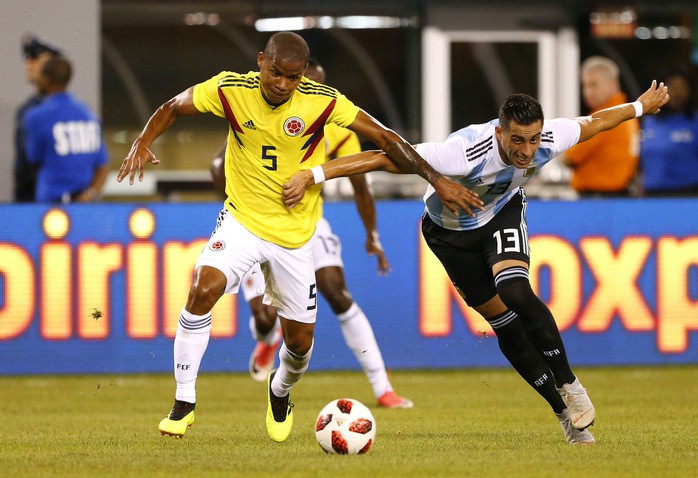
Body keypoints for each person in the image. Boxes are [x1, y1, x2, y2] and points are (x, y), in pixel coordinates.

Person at [116, 32, 481, 442]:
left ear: (302, 75)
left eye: (292, 77)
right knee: (203, 288)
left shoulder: (323, 101)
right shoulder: (229, 89)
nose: (282, 84)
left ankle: (280, 389)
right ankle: (183, 403)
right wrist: (143, 141)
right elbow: (172, 107)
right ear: (260, 62)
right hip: (243, 221)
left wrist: (435, 179)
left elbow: (387, 140)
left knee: (301, 345)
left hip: (296, 235)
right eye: (275, 73)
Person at [283, 81, 669, 444]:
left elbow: (597, 122)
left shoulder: (550, 136)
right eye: (517, 140)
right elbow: (380, 158)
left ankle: (570, 385)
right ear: (499, 133)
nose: (526, 151)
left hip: (500, 215)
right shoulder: (462, 151)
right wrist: (312, 174)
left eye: (533, 140)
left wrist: (639, 106)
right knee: (507, 328)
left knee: (515, 291)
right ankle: (564, 413)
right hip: (450, 236)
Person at [210, 58, 413, 409]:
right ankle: (267, 336)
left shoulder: (338, 126)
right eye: (294, 82)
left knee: (336, 292)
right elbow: (219, 164)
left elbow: (361, 187)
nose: (299, 90)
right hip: (254, 221)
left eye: (306, 83)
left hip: (309, 223)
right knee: (263, 316)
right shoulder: (259, 110)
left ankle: (382, 387)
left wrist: (373, 236)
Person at [24, 56, 109, 203]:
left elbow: (33, 158)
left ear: (46, 79)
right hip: (85, 207)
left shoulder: (36, 116)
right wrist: (90, 193)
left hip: (50, 208)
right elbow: (103, 167)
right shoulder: (88, 115)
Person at [564, 56, 640, 197]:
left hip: (599, 200)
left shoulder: (606, 118)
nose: (588, 92)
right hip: (621, 196)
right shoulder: (629, 114)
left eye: (593, 85)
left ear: (612, 84)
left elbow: (569, 158)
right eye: (585, 85)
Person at [14, 34, 61, 202]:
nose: (28, 64)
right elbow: (23, 167)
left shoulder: (72, 111)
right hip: (30, 202)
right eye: (27, 58)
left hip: (63, 204)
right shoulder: (25, 111)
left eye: (35, 57)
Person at [640, 65, 698, 196]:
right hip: (652, 196)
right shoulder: (649, 122)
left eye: (683, 86)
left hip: (688, 196)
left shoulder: (695, 122)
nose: (677, 92)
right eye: (672, 86)